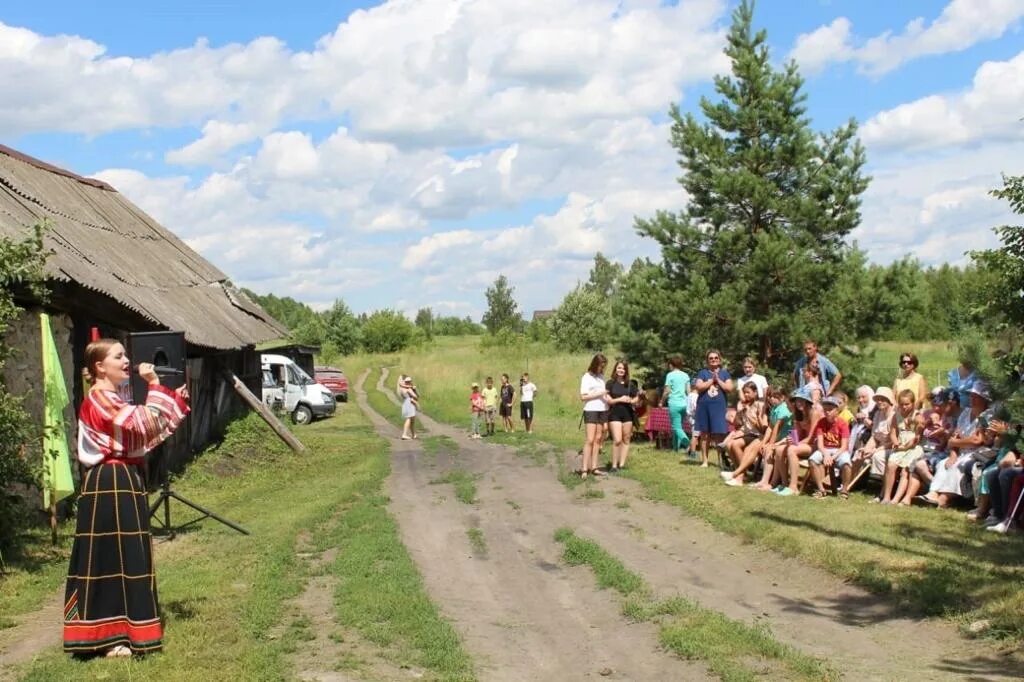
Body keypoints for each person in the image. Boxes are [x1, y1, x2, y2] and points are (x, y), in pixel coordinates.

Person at [63, 339, 189, 657]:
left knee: (128, 557)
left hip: (123, 480)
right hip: (109, 481)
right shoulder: (99, 398)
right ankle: (105, 636)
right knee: (110, 558)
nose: (126, 360)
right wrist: (157, 386)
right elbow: (140, 422)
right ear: (99, 367)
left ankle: (126, 629)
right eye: (118, 356)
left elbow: (142, 434)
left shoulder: (113, 398)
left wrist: (170, 400)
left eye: (125, 355)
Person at [777, 389, 823, 496]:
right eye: (797, 401)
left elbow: (811, 437)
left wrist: (795, 444)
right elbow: (795, 435)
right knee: (779, 450)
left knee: (792, 449)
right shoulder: (798, 414)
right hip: (805, 444)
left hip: (817, 444)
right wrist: (791, 440)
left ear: (808, 402)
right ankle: (784, 484)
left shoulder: (814, 413)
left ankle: (794, 487)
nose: (799, 403)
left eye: (802, 401)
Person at [721, 382, 767, 486]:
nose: (746, 395)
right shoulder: (742, 404)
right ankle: (742, 474)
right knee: (729, 444)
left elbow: (762, 429)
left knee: (735, 444)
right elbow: (738, 424)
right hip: (747, 434)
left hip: (758, 434)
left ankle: (739, 475)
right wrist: (739, 413)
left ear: (755, 393)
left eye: (748, 392)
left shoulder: (760, 405)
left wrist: (752, 417)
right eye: (744, 392)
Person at [694, 349, 733, 468]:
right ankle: (705, 461)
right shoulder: (702, 373)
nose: (713, 360)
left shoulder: (725, 373)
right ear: (707, 361)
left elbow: (729, 388)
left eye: (716, 358)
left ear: (719, 359)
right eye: (711, 358)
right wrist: (711, 380)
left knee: (719, 435)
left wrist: (718, 380)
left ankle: (721, 461)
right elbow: (699, 386)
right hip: (704, 407)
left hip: (719, 408)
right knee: (704, 434)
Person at [885, 389, 925, 505]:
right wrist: (895, 442)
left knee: (905, 470)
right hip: (900, 445)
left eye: (907, 404)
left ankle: (896, 499)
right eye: (901, 404)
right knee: (891, 465)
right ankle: (887, 496)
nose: (904, 407)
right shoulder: (896, 416)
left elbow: (916, 439)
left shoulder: (917, 416)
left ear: (913, 403)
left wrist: (903, 448)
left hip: (913, 448)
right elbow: (892, 433)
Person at [808, 396, 851, 499]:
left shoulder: (842, 423)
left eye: (830, 409)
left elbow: (844, 446)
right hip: (825, 449)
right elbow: (820, 444)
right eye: (825, 409)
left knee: (846, 464)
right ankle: (821, 489)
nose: (827, 412)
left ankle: (844, 490)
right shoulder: (821, 422)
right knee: (812, 460)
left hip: (839, 450)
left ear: (837, 410)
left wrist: (833, 457)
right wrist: (826, 454)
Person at [752, 387, 793, 491]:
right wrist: (764, 442)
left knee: (769, 450)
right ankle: (764, 480)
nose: (772, 399)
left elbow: (776, 428)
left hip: (784, 439)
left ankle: (768, 481)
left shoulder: (783, 408)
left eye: (775, 397)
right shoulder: (774, 409)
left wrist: (770, 444)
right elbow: (770, 427)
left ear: (783, 398)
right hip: (777, 439)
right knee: (766, 447)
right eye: (770, 397)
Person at [579, 354, 609, 479]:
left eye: (603, 366)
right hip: (591, 410)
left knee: (598, 439)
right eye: (600, 366)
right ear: (595, 364)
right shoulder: (586, 377)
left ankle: (594, 467)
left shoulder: (602, 377)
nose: (602, 368)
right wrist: (599, 393)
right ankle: (585, 468)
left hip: (602, 409)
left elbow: (605, 395)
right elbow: (583, 397)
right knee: (590, 439)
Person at [606, 360, 638, 472]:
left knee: (626, 438)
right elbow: (608, 400)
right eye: (619, 368)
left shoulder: (631, 384)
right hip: (614, 413)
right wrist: (620, 399)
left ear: (626, 371)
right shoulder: (610, 383)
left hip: (628, 413)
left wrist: (631, 400)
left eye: (623, 369)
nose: (621, 370)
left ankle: (622, 464)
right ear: (615, 369)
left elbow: (636, 398)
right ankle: (614, 465)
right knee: (617, 440)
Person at [660, 355, 691, 454]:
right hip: (684, 404)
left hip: (674, 403)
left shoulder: (670, 375)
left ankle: (690, 445)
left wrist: (661, 401)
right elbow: (688, 391)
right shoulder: (685, 375)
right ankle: (675, 448)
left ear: (671, 365)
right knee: (678, 427)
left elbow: (667, 391)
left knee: (676, 427)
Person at [398, 375, 419, 440]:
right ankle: (404, 434)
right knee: (409, 419)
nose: (409, 382)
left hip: (406, 403)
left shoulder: (401, 389)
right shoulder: (408, 389)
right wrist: (414, 390)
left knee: (412, 420)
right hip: (410, 403)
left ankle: (413, 434)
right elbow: (416, 396)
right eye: (408, 381)